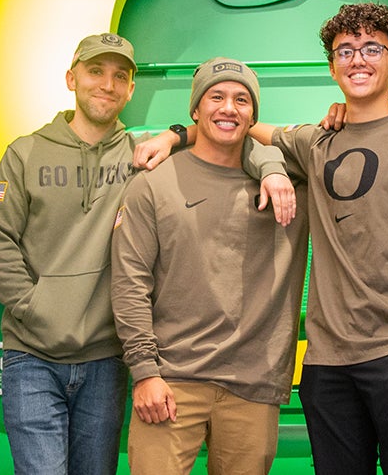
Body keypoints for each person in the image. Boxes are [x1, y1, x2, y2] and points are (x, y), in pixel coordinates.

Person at [139, 2, 388, 474]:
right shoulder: (316, 142)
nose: (358, 59)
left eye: (373, 48)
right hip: (325, 365)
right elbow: (235, 126)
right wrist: (176, 136)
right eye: (345, 50)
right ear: (332, 65)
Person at [0, 34, 292, 474]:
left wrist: (270, 165)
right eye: (95, 72)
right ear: (71, 78)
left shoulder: (142, 154)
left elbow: (225, 134)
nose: (107, 85)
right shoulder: (25, 153)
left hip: (106, 358)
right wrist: (42, 310)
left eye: (119, 77)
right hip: (33, 354)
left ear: (130, 90)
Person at [111, 58, 310, 474]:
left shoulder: (292, 186)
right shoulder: (153, 183)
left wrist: (271, 164)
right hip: (170, 380)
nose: (228, 108)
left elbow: (356, 135)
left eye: (241, 100)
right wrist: (145, 372)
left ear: (253, 115)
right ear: (195, 110)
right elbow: (130, 284)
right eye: (215, 96)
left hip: (253, 384)